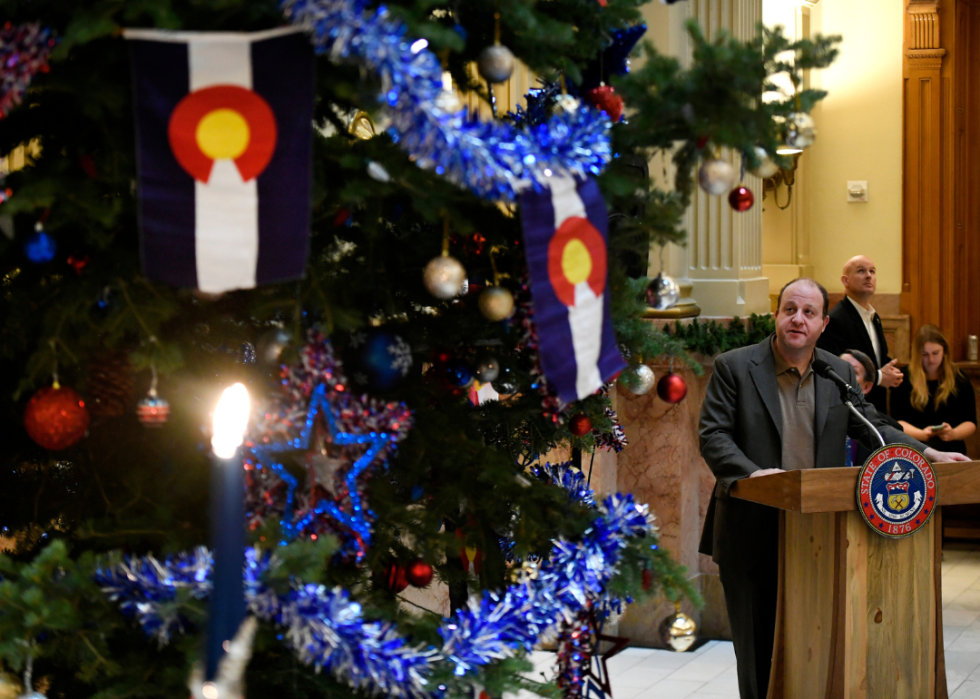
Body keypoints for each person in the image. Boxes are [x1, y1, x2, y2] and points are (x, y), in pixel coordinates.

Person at [698, 278, 968, 699]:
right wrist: (753, 476)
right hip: (751, 529)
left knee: (815, 646)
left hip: (818, 535)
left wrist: (929, 454)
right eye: (789, 309)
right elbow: (713, 436)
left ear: (824, 323)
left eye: (808, 313)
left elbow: (873, 425)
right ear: (777, 315)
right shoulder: (735, 366)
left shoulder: (836, 371)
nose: (797, 319)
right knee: (758, 653)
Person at [817, 255, 903, 413]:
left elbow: (876, 359)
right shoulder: (836, 320)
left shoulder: (873, 317)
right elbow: (835, 370)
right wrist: (878, 377)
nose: (869, 275)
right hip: (851, 410)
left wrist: (892, 371)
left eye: (872, 271)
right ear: (845, 280)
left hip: (875, 407)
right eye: (861, 271)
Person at [891, 325, 977, 455]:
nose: (930, 360)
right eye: (924, 354)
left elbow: (970, 421)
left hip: (951, 447)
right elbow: (897, 421)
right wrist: (922, 434)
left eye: (935, 353)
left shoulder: (959, 378)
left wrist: (953, 433)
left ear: (944, 351)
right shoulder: (904, 378)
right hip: (914, 447)